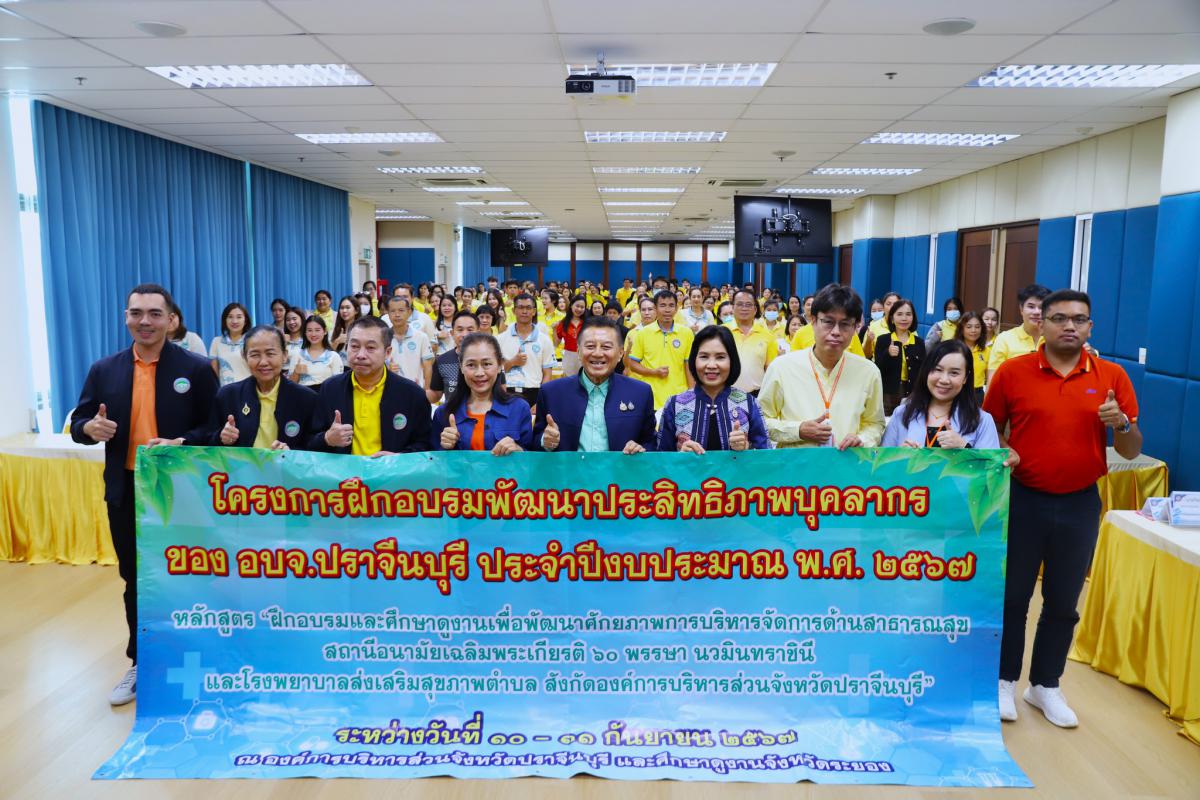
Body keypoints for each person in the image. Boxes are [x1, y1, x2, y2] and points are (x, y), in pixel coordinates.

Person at [984, 289, 1142, 729]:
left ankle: (1044, 684)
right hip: (1022, 498)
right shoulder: (1013, 372)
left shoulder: (1112, 376)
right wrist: (1004, 449)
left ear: (1090, 327)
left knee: (1063, 601)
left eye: (1079, 319)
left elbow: (1131, 449)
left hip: (1079, 503)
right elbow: (989, 429)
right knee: (1013, 596)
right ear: (1042, 324)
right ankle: (1003, 680)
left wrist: (1121, 424)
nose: (1069, 326)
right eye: (1059, 318)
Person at [70, 283, 218, 705]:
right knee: (136, 580)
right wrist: (89, 428)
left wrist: (182, 443)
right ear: (126, 318)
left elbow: (215, 429)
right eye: (136, 313)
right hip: (127, 491)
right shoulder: (105, 370)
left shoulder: (195, 369)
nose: (145, 321)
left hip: (182, 492)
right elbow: (79, 422)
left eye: (154, 313)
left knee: (189, 576)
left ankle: (199, 659)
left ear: (171, 319)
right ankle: (142, 662)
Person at [759, 283, 885, 450]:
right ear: (813, 321)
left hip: (846, 463)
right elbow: (760, 421)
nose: (836, 331)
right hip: (795, 465)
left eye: (845, 324)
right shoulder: (782, 368)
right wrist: (797, 430)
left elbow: (875, 423)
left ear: (856, 327)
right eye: (828, 322)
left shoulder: (868, 372)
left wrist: (862, 439)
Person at [309, 315, 432, 456]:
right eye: (354, 346)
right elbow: (310, 441)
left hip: (392, 470)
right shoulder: (330, 389)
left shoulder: (412, 394)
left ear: (387, 352)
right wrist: (327, 439)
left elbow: (425, 444)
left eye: (370, 347)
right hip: (343, 470)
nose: (361, 355)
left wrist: (399, 459)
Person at [533, 317, 657, 453]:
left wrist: (640, 449)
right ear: (578, 351)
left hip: (620, 467)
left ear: (620, 353)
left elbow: (650, 442)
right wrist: (545, 441)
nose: (597, 353)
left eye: (606, 347)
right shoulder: (552, 392)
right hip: (569, 467)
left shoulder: (640, 393)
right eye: (590, 346)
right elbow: (535, 441)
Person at [658, 325, 771, 453]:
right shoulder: (675, 404)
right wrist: (681, 456)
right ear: (694, 360)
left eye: (720, 357)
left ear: (732, 360)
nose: (711, 365)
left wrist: (746, 448)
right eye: (704, 357)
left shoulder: (749, 403)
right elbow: (661, 458)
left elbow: (766, 456)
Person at [210, 325, 318, 450]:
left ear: (284, 355)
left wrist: (291, 453)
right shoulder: (228, 396)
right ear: (244, 357)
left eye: (270, 354)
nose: (263, 362)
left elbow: (315, 446)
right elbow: (208, 440)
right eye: (255, 355)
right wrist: (221, 437)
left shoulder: (306, 399)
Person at [882, 340, 1000, 449]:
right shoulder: (902, 414)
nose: (944, 380)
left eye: (954, 373)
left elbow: (990, 464)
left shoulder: (982, 421)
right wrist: (900, 456)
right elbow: (881, 461)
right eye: (938, 370)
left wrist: (964, 447)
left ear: (965, 378)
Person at [431, 333, 533, 454]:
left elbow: (531, 456)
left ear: (499, 365)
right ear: (461, 367)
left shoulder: (519, 408)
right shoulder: (444, 413)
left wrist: (518, 450)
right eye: (471, 365)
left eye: (487, 364)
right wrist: (445, 447)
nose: (479, 373)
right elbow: (434, 459)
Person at [627, 289, 695, 410]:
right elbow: (632, 364)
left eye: (671, 305)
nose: (667, 310)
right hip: (652, 398)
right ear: (656, 308)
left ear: (677, 308)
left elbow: (688, 365)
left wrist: (691, 393)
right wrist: (654, 372)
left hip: (679, 397)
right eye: (662, 305)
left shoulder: (687, 333)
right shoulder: (643, 333)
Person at [499, 292, 554, 406]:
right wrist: (512, 362)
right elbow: (496, 372)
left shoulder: (544, 340)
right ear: (514, 311)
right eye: (520, 307)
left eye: (528, 308)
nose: (524, 311)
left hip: (534, 392)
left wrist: (540, 400)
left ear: (534, 311)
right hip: (507, 391)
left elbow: (547, 374)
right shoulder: (500, 339)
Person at [873, 298, 925, 415]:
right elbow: (877, 369)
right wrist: (888, 354)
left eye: (908, 314)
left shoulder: (919, 342)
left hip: (912, 394)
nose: (904, 318)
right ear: (892, 318)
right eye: (899, 314)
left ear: (913, 318)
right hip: (888, 395)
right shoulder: (883, 340)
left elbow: (923, 372)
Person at [987, 284, 1049, 381]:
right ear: (1021, 309)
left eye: (1042, 307)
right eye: (1031, 306)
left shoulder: (1055, 340)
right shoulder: (1004, 339)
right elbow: (993, 381)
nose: (1037, 312)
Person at [725, 288, 778, 396]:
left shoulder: (767, 336)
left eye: (748, 305)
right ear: (733, 307)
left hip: (756, 395)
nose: (744, 308)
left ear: (755, 309)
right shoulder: (721, 332)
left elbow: (770, 370)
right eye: (740, 304)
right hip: (725, 393)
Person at [428, 309, 480, 405]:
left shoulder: (490, 360)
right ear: (452, 333)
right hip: (453, 413)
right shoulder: (442, 361)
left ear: (478, 332)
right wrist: (416, 391)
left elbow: (500, 392)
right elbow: (435, 395)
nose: (465, 334)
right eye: (460, 330)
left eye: (470, 330)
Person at [384, 295, 434, 388]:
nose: (397, 314)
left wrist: (426, 390)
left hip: (416, 389)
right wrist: (386, 368)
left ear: (409, 312)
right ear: (388, 314)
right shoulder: (383, 338)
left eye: (401, 310)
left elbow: (428, 367)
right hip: (390, 389)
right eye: (392, 311)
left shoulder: (421, 337)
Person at [291, 314, 343, 387]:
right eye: (309, 330)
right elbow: (290, 386)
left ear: (325, 331)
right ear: (305, 332)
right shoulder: (297, 354)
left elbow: (339, 385)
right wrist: (296, 373)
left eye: (317, 330)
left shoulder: (334, 356)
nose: (313, 334)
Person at [209, 302, 251, 386]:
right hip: (225, 390)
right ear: (225, 320)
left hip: (248, 389)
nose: (234, 321)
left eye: (239, 317)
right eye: (230, 317)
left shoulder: (252, 341)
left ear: (245, 320)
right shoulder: (216, 341)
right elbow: (214, 373)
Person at [953, 311, 990, 402]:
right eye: (969, 327)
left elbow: (989, 378)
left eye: (977, 327)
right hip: (955, 392)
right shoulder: (953, 348)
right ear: (961, 329)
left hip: (977, 395)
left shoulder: (986, 351)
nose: (973, 330)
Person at [555, 294, 587, 377]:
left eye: (582, 307)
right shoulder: (563, 323)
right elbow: (556, 343)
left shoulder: (588, 323)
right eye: (577, 306)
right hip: (569, 356)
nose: (579, 309)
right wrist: (554, 329)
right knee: (569, 380)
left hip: (585, 355)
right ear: (571, 305)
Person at [281, 306, 305, 374]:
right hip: (285, 376)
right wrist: (284, 343)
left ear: (301, 319)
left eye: (294, 319)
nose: (291, 322)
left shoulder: (308, 339)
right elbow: (277, 361)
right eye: (288, 320)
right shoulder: (281, 339)